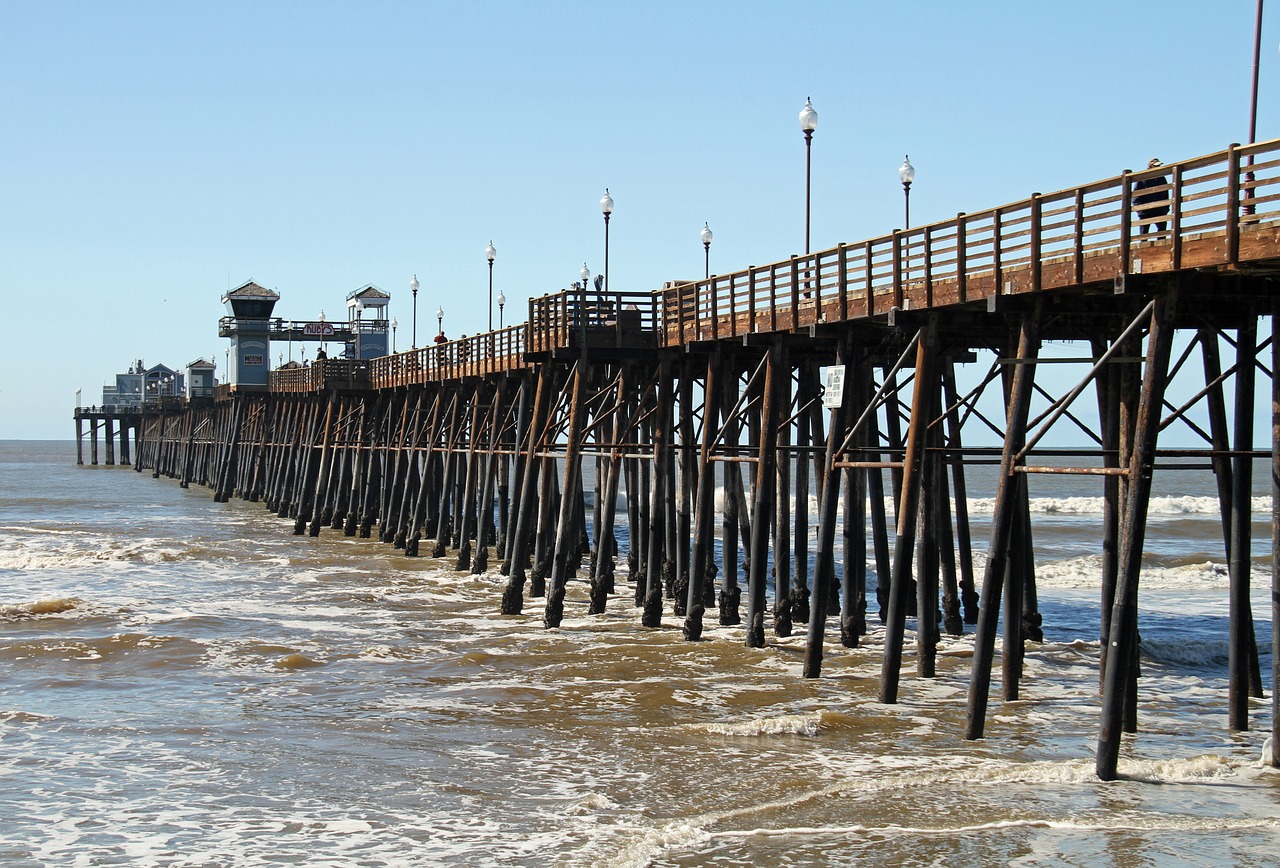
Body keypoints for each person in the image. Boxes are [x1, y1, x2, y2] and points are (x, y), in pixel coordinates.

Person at [1134, 157, 1169, 236]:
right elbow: (1136, 196)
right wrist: (1141, 211)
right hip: (1146, 210)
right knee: (1144, 234)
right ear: (1150, 166)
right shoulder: (1142, 178)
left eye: (1158, 166)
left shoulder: (1162, 178)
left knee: (1162, 232)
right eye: (1156, 166)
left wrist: (1165, 208)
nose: (1158, 167)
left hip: (1160, 210)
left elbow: (1166, 194)